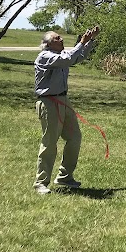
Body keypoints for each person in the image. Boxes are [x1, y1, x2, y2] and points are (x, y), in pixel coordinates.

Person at [33, 26, 100, 195]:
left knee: (74, 137)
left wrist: (89, 41)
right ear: (48, 44)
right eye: (57, 38)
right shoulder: (45, 57)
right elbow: (69, 58)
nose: (61, 39)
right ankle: (41, 182)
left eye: (61, 37)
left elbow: (77, 57)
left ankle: (65, 176)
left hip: (63, 100)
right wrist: (81, 42)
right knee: (50, 142)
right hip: (49, 102)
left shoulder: (61, 56)